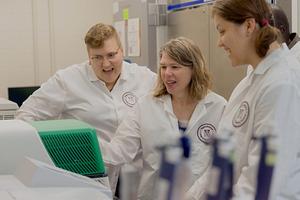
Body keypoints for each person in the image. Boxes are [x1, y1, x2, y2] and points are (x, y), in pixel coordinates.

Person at [15, 23, 156, 195]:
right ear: (89, 57)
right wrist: (57, 152)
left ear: (122, 51)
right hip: (89, 176)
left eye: (111, 55)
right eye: (97, 57)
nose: (106, 64)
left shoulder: (145, 78)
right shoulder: (67, 81)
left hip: (136, 177)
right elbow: (25, 116)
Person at [101, 37, 227, 200]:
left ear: (194, 69)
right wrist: (81, 145)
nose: (167, 73)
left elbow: (219, 164)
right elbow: (119, 151)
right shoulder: (146, 106)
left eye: (175, 67)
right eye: (163, 67)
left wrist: (191, 196)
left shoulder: (218, 107)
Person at [212, 0, 300, 199]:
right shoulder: (250, 83)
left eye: (222, 31)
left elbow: (263, 183)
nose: (219, 42)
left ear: (249, 26)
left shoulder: (282, 84)